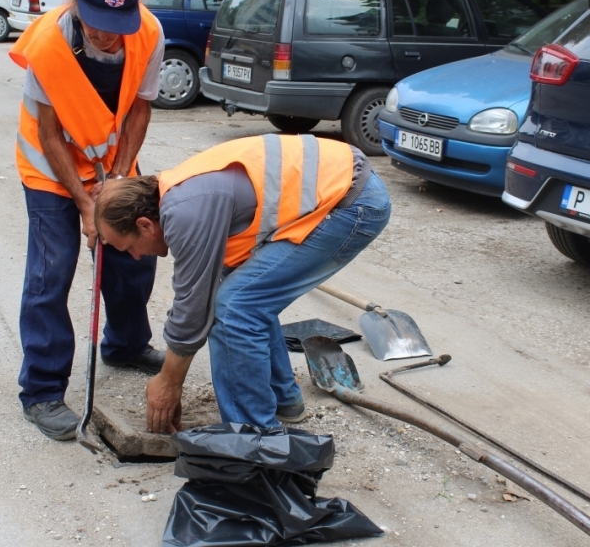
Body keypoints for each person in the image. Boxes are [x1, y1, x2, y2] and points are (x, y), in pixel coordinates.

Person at [94, 134, 392, 433]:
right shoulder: (178, 193)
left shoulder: (185, 211)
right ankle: (282, 399)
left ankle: (251, 437)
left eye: (128, 247)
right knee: (241, 290)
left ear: (145, 225)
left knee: (234, 306)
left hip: (352, 202)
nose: (134, 257)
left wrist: (169, 382)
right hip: (344, 184)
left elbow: (193, 307)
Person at [8, 0, 166, 441]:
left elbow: (140, 111)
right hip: (51, 171)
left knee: (134, 257)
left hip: (111, 164)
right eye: (96, 25)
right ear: (76, 5)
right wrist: (84, 204)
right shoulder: (47, 45)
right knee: (51, 270)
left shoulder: (149, 33)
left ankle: (124, 344)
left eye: (116, 25)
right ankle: (41, 389)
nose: (106, 36)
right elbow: (50, 133)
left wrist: (117, 180)